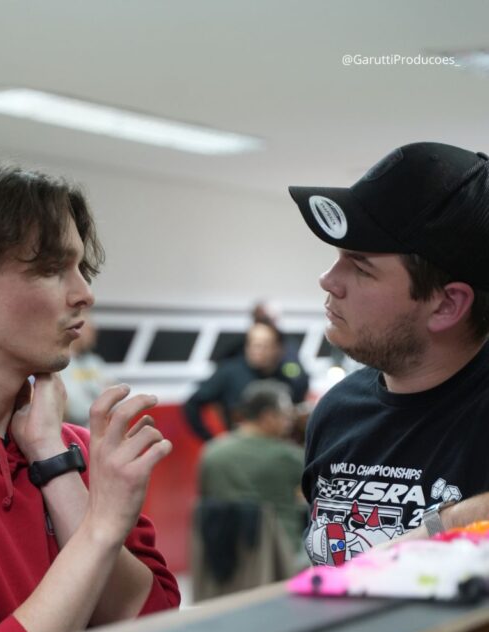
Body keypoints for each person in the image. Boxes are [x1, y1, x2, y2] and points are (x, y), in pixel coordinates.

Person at [0, 150, 180, 632]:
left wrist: (54, 463)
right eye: (53, 268)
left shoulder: (74, 449)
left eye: (81, 268)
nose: (84, 294)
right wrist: (100, 528)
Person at [288, 141, 489, 565]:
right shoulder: (337, 410)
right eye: (338, 257)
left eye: (361, 267)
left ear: (447, 304)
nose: (328, 279)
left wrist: (441, 527)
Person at [199, 380, 305, 557]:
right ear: (268, 416)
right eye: (287, 415)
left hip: (225, 553)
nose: (290, 423)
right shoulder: (287, 456)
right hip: (281, 553)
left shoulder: (211, 451)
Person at [183, 318, 309, 442]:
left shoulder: (287, 376)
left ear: (278, 348)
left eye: (264, 345)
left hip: (278, 447)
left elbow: (296, 407)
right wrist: (211, 440)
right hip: (240, 447)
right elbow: (192, 404)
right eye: (253, 344)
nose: (257, 350)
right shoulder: (229, 372)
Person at [60, 317, 113, 425]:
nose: (95, 335)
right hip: (74, 426)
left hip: (97, 424)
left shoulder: (93, 361)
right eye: (90, 330)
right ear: (76, 330)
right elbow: (73, 408)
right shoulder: (61, 363)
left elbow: (112, 390)